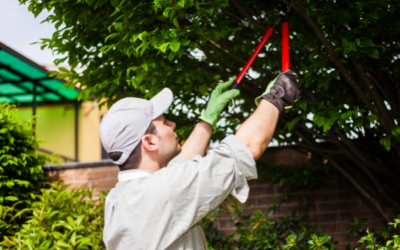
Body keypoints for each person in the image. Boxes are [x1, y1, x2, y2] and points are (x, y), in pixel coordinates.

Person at [100, 71, 300, 250]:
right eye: (164, 122)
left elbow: (180, 169)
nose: (172, 124)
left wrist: (208, 118)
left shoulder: (118, 198)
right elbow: (246, 148)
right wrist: (275, 98)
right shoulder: (164, 190)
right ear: (150, 142)